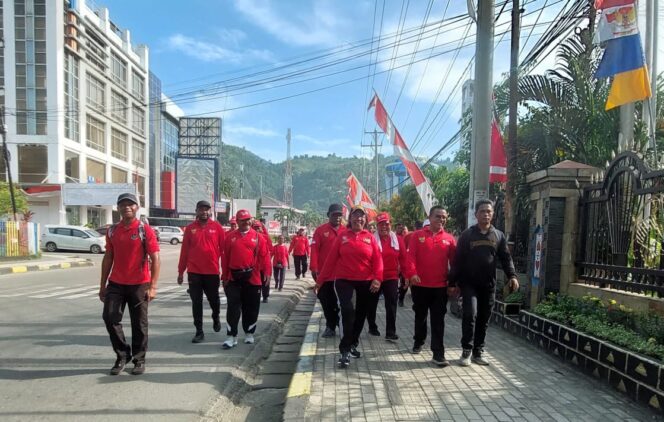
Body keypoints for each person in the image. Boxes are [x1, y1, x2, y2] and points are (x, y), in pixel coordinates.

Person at [449, 199, 519, 366]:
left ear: (493, 214)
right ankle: (466, 350)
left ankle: (478, 351)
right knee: (470, 314)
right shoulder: (467, 235)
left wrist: (513, 276)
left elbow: (506, 258)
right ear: (476, 214)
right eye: (482, 211)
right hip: (469, 285)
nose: (486, 214)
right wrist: (452, 283)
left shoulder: (498, 236)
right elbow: (458, 261)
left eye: (489, 211)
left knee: (484, 318)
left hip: (488, 285)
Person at [100, 193, 160, 376]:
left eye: (130, 204)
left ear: (137, 208)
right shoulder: (112, 231)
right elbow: (108, 257)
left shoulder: (144, 230)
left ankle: (139, 359)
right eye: (123, 204)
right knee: (110, 318)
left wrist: (153, 286)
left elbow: (155, 258)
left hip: (139, 284)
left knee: (139, 324)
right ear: (118, 208)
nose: (127, 207)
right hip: (116, 283)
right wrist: (102, 285)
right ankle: (122, 355)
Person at [318, 206, 383, 368]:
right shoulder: (342, 237)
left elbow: (378, 260)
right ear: (350, 219)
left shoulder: (370, 238)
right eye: (355, 216)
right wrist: (320, 281)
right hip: (344, 280)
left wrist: (377, 279)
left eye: (361, 217)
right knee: (347, 311)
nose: (358, 219)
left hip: (366, 281)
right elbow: (330, 260)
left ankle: (353, 342)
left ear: (365, 220)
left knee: (361, 314)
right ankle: (345, 350)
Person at [407, 205, 456, 367]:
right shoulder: (417, 235)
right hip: (420, 286)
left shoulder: (449, 239)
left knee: (438, 320)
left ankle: (438, 353)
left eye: (444, 217)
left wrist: (453, 283)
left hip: (440, 287)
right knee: (420, 316)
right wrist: (412, 273)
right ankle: (419, 340)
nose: (441, 220)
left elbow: (454, 263)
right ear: (430, 217)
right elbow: (411, 257)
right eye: (438, 216)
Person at [221, 210, 271, 349]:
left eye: (248, 219)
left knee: (252, 308)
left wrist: (267, 273)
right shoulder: (230, 237)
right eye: (242, 220)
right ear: (237, 221)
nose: (245, 222)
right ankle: (231, 336)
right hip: (233, 278)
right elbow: (225, 259)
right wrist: (224, 277)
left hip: (253, 279)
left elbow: (265, 256)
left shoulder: (258, 237)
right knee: (233, 308)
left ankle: (249, 333)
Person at [177, 200, 225, 343]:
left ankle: (216, 317)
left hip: (212, 272)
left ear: (210, 212)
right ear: (196, 211)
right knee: (196, 302)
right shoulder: (190, 228)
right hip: (194, 272)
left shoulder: (217, 227)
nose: (204, 211)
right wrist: (181, 272)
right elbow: (184, 251)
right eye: (201, 209)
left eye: (206, 209)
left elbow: (224, 250)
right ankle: (199, 331)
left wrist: (226, 271)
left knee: (214, 300)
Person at [366, 212, 416, 341]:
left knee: (392, 304)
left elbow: (404, 259)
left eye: (386, 224)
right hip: (375, 277)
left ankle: (390, 332)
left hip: (391, 277)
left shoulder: (397, 240)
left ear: (390, 225)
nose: (384, 227)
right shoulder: (371, 239)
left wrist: (406, 276)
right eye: (381, 224)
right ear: (377, 226)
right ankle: (372, 326)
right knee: (371, 304)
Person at [310, 203, 346, 337]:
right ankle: (331, 325)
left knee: (341, 303)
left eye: (339, 215)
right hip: (325, 275)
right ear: (328, 215)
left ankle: (336, 324)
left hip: (342, 275)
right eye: (334, 215)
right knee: (326, 301)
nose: (337, 218)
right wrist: (314, 268)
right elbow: (314, 250)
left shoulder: (346, 231)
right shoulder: (320, 231)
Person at [253, 220, 273, 303]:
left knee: (265, 281)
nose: (257, 229)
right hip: (254, 265)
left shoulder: (265, 237)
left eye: (258, 228)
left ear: (261, 228)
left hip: (264, 263)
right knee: (255, 282)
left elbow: (270, 249)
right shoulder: (251, 237)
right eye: (255, 228)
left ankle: (265, 296)